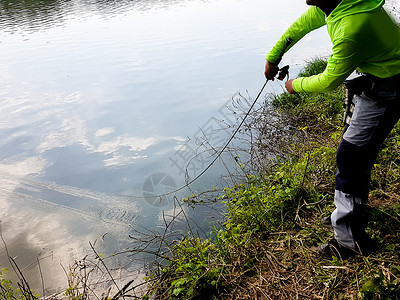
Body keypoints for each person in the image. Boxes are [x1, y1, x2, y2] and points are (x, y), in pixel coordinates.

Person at [264, 0, 400, 259]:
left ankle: (348, 242)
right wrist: (274, 56)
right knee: (359, 153)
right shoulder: (337, 5)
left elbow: (328, 81)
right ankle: (353, 211)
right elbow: (301, 25)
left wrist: (295, 85)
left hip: (387, 88)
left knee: (351, 156)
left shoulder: (352, 27)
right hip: (377, 81)